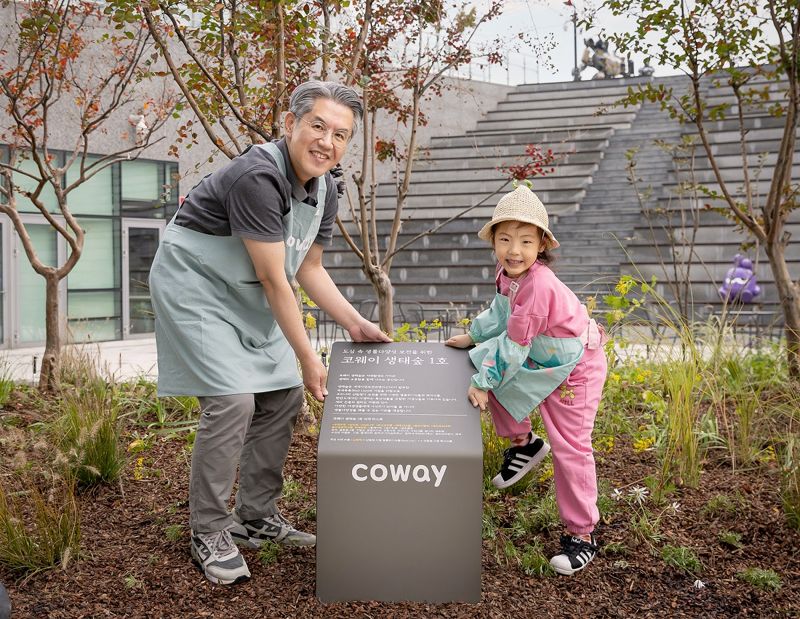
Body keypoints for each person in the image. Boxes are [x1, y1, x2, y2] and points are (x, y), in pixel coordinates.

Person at [149, 80, 391, 586]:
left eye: (341, 134)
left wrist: (354, 322)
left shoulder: (326, 186)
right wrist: (309, 358)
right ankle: (208, 531)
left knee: (281, 395)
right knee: (232, 400)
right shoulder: (257, 176)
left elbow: (310, 268)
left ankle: (255, 518)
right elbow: (274, 279)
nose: (327, 141)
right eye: (317, 126)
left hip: (244, 287)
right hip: (195, 285)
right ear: (290, 124)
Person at [446, 184, 607, 576]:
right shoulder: (508, 274)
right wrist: (475, 336)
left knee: (571, 446)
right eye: (504, 239)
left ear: (541, 245)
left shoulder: (538, 285)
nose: (513, 249)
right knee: (484, 358)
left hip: (575, 367)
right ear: (495, 243)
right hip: (541, 354)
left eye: (524, 240)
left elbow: (515, 347)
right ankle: (524, 443)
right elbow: (501, 314)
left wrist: (484, 382)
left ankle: (582, 535)